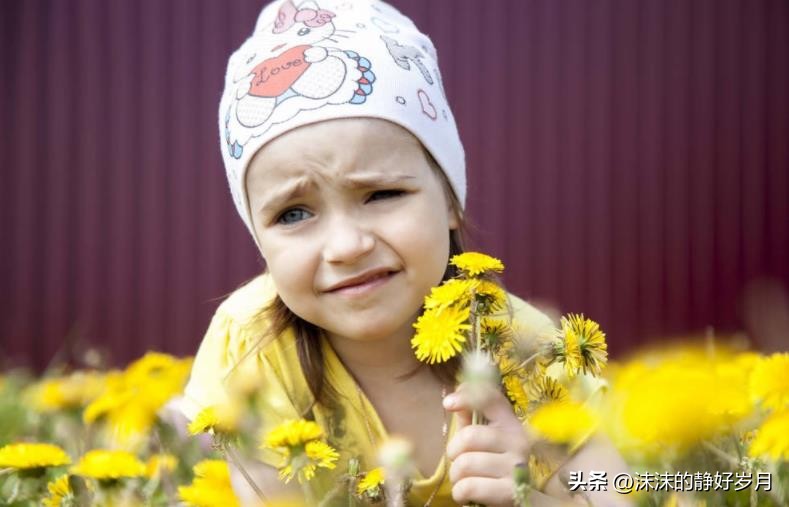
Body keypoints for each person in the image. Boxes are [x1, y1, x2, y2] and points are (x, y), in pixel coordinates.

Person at [181, 1, 630, 505]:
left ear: (450, 201)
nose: (348, 246)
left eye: (381, 194)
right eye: (293, 214)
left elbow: (618, 494)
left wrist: (537, 498)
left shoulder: (524, 349)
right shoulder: (252, 352)